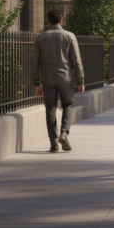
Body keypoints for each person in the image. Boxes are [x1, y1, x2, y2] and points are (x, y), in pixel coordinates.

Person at [33, 10, 85, 153]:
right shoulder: (69, 36)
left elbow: (36, 61)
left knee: (50, 108)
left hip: (47, 78)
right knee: (68, 104)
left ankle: (53, 142)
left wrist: (36, 83)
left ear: (48, 21)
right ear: (61, 20)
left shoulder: (41, 37)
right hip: (65, 78)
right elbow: (76, 60)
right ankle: (64, 133)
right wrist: (80, 80)